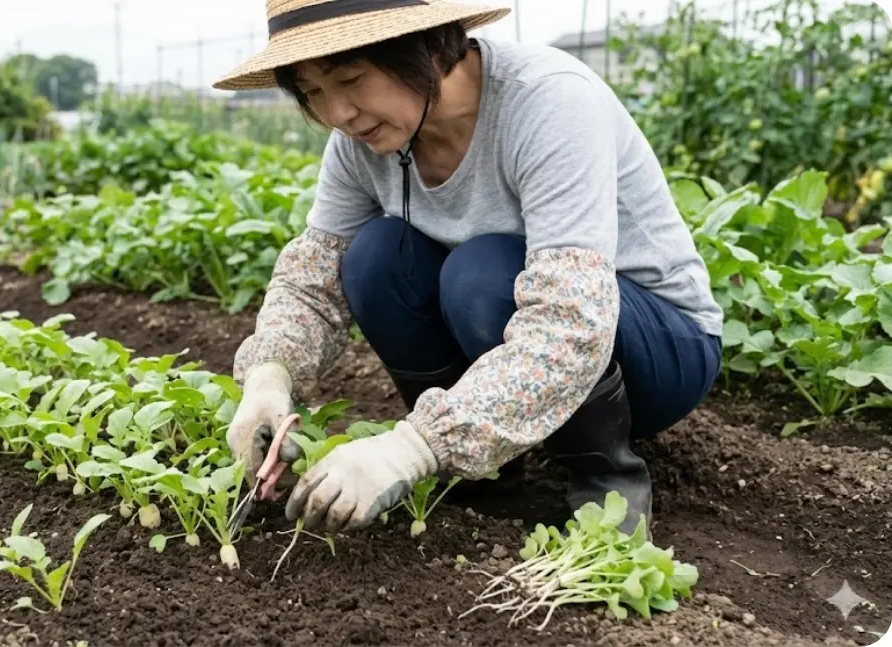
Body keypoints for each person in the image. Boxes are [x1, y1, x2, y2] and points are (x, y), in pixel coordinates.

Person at [212, 0, 724, 537]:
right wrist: (270, 376)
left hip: (658, 349)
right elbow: (314, 277)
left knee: (481, 273)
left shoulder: (548, 100)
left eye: (352, 78)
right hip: (526, 344)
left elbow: (572, 321)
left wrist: (413, 446)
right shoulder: (360, 144)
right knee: (374, 258)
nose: (338, 113)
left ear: (429, 45)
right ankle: (484, 476)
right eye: (314, 93)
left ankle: (605, 481)